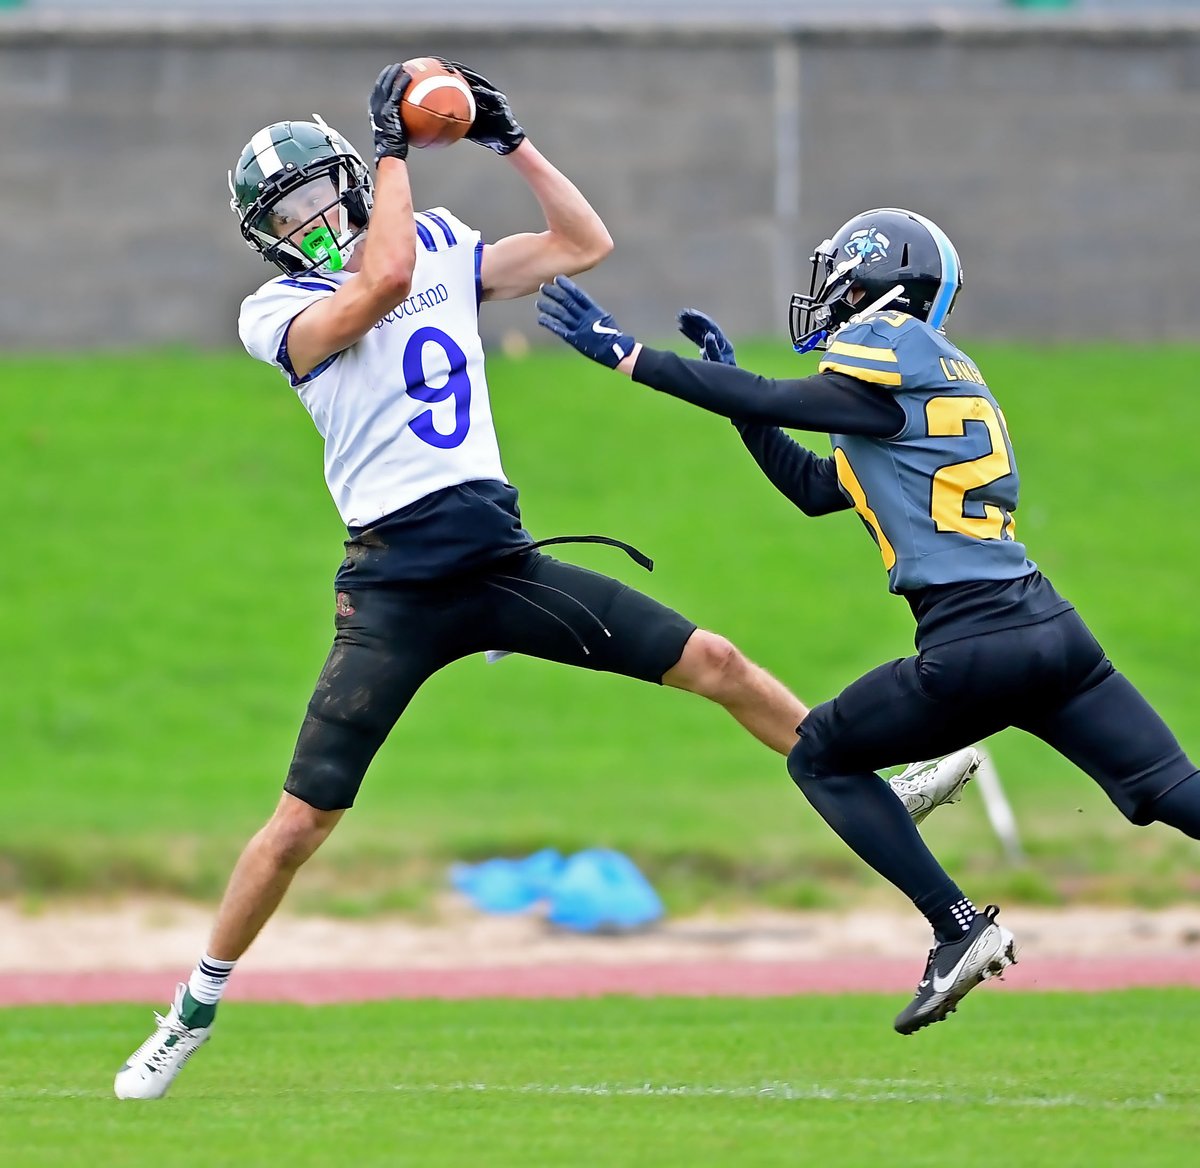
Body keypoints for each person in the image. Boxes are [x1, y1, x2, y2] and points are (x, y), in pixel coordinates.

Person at [114, 74, 977, 1101]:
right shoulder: (279, 309)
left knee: (716, 662)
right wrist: (393, 144)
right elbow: (382, 284)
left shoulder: (431, 237)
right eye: (284, 212)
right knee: (300, 822)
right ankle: (191, 1011)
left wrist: (510, 143)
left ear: (345, 185)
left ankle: (884, 786)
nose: (306, 221)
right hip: (395, 583)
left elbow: (580, 243)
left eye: (314, 194)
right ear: (269, 235)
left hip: (501, 561)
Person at [536, 205, 1200, 1035]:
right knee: (1172, 792)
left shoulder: (890, 354)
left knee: (818, 757)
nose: (830, 297)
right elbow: (817, 488)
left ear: (879, 287)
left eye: (843, 280)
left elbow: (781, 396)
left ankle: (959, 927)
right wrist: (747, 410)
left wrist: (631, 357)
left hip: (972, 640)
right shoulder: (939, 376)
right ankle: (922, 823)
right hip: (1051, 629)